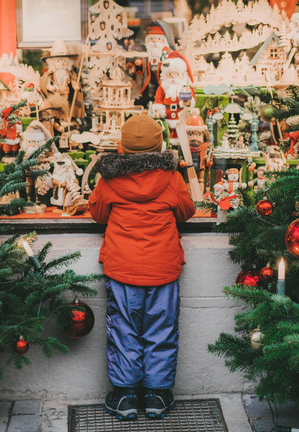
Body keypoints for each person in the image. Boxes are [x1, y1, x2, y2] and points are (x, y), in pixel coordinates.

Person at [88, 115, 195, 420]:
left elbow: (97, 214)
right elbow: (186, 212)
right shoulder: (172, 179)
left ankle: (124, 397)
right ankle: (157, 396)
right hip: (163, 270)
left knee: (123, 330)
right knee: (161, 330)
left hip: (122, 270)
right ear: (160, 145)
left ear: (120, 147)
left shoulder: (109, 180)